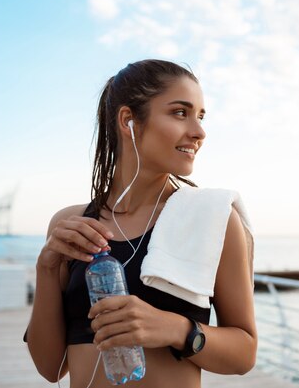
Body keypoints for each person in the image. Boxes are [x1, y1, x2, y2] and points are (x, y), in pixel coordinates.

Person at [24, 59, 257, 388]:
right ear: (128, 120)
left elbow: (244, 353)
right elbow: (50, 367)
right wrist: (46, 269)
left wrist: (173, 328)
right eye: (180, 112)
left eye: (201, 116)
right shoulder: (71, 224)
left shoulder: (212, 219)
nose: (199, 132)